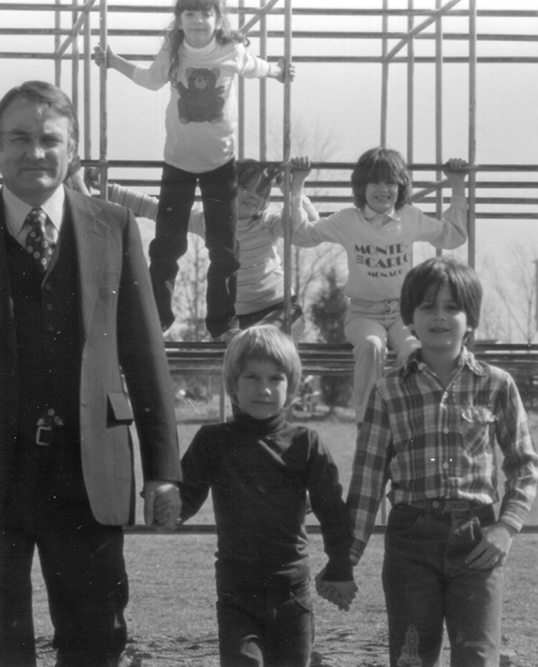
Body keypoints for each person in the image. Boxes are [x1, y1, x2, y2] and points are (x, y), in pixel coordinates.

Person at [0, 80, 182, 667]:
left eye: (50, 139)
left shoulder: (115, 227)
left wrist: (162, 471)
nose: (35, 152)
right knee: (1, 648)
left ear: (71, 150)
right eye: (19, 138)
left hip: (88, 474)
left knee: (96, 641)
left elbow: (145, 357)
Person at [339, 257, 538, 666]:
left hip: (477, 540)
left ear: (472, 318)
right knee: (411, 657)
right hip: (410, 538)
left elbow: (523, 465)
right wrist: (345, 560)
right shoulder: (387, 390)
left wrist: (506, 526)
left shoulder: (497, 384)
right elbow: (367, 479)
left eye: (452, 308)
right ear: (410, 316)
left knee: (477, 657)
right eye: (428, 307)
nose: (440, 317)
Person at [93, 0, 293, 342]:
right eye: (190, 13)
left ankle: (221, 323)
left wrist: (278, 72)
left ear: (218, 19)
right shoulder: (173, 50)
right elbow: (149, 80)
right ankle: (158, 318)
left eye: (206, 13)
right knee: (167, 245)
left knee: (225, 249)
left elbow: (255, 67)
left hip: (220, 165)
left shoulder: (230, 48)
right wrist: (113, 62)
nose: (198, 20)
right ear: (179, 19)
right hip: (178, 164)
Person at [178, 325, 356, 666]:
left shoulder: (305, 443)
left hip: (292, 591)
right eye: (251, 378)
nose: (264, 389)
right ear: (232, 383)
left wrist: (340, 565)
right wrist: (168, 508)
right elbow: (185, 496)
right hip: (236, 590)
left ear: (291, 385)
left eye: (275, 378)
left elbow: (332, 510)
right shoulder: (213, 440)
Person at [291, 147, 469, 419]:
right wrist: (298, 185)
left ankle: (417, 417)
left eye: (391, 182)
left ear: (401, 187)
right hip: (363, 313)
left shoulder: (409, 217)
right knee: (372, 346)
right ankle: (370, 421)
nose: (383, 189)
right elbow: (302, 236)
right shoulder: (348, 220)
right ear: (361, 187)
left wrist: (457, 185)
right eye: (375, 181)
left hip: (404, 313)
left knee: (415, 351)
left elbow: (453, 235)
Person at [88, 156, 317, 341]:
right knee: (246, 360)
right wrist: (108, 187)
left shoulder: (268, 222)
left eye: (260, 193)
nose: (252, 196)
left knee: (261, 347)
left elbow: (306, 230)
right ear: (229, 189)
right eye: (245, 187)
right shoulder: (211, 221)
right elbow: (154, 209)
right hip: (239, 318)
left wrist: (295, 190)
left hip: (278, 308)